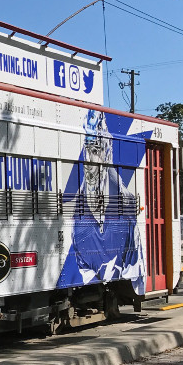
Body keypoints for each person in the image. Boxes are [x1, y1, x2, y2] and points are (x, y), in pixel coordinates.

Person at [62, 109, 144, 290]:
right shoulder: (78, 209)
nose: (90, 160)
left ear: (107, 153)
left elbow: (135, 262)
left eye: (95, 150)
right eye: (87, 150)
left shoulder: (126, 202)